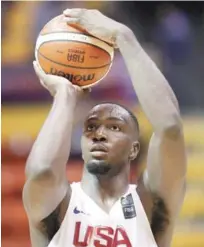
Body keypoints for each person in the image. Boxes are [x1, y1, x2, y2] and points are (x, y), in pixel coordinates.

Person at [23, 9, 187, 247]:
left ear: (134, 149)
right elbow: (41, 171)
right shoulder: (60, 207)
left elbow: (170, 127)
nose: (99, 134)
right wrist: (65, 96)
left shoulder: (149, 205)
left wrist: (124, 36)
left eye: (115, 127)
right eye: (90, 127)